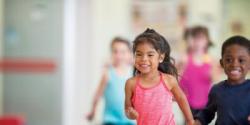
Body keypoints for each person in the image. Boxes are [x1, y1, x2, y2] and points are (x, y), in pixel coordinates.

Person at [124, 28, 194, 125]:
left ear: (160, 57)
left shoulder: (168, 80)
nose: (144, 59)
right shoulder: (131, 83)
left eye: (150, 55)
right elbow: (127, 108)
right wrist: (130, 113)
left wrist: (190, 121)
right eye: (139, 54)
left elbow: (181, 98)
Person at [194, 35, 250, 125]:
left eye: (241, 60)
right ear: (222, 63)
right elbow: (207, 113)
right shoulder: (217, 90)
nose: (234, 64)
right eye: (228, 60)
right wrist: (197, 122)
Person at [87, 37, 135, 125]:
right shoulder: (108, 74)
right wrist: (92, 111)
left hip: (130, 121)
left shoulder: (134, 74)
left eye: (123, 52)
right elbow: (97, 95)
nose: (119, 55)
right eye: (115, 51)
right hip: (111, 120)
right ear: (111, 53)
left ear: (129, 54)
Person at [178, 26, 219, 116]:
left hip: (205, 103)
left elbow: (214, 79)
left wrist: (211, 66)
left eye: (201, 38)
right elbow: (177, 79)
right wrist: (182, 65)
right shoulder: (185, 59)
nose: (198, 42)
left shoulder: (211, 60)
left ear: (207, 41)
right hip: (187, 102)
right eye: (195, 38)